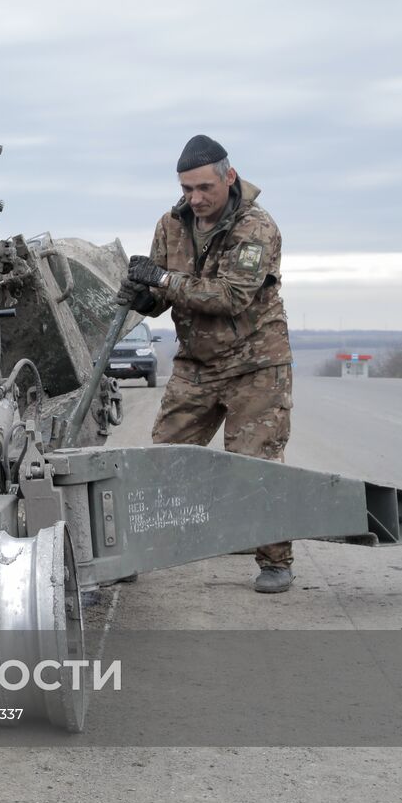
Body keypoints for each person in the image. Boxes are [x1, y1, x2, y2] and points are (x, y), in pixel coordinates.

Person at [117, 134, 295, 593]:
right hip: (196, 364)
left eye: (204, 189)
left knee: (257, 466)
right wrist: (145, 296)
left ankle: (275, 560)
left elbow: (231, 297)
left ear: (228, 178)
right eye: (186, 189)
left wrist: (161, 279)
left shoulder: (257, 228)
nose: (194, 199)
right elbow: (163, 292)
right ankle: (130, 553)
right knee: (159, 462)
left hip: (255, 365)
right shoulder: (170, 225)